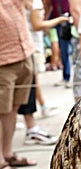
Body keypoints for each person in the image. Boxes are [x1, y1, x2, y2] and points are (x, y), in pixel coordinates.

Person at [17, 0, 70, 146]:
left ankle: (39, 111)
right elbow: (37, 25)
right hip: (29, 48)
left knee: (32, 83)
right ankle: (33, 125)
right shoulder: (32, 3)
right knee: (30, 85)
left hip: (27, 48)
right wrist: (59, 19)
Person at [0, 0, 37, 168]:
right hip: (3, 61)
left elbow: (30, 4)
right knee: (1, 111)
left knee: (13, 110)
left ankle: (7, 154)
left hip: (24, 54)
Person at [44, 0, 73, 88]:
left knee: (73, 51)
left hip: (71, 21)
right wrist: (45, 22)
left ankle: (71, 78)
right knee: (64, 51)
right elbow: (48, 6)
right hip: (59, 23)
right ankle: (66, 77)